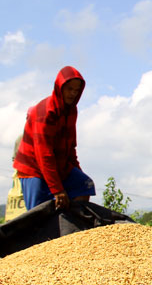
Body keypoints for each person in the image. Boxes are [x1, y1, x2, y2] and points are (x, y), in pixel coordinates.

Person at [13, 66, 95, 210]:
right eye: (69, 89)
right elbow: (43, 155)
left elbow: (70, 147)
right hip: (33, 167)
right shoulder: (45, 112)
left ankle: (72, 228)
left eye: (76, 91)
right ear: (59, 87)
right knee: (37, 211)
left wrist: (78, 170)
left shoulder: (71, 111)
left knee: (84, 184)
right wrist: (57, 190)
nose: (73, 94)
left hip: (58, 163)